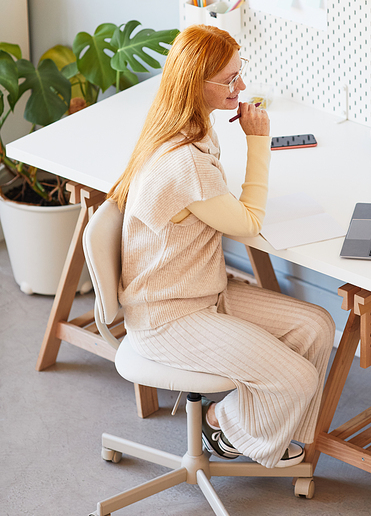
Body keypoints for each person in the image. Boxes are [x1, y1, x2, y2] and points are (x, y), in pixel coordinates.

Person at [108, 24, 335, 469]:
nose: (242, 86)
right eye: (230, 79)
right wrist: (259, 140)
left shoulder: (190, 128)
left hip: (204, 291)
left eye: (239, 72)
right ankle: (225, 422)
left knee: (317, 326)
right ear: (197, 84)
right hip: (169, 316)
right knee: (297, 378)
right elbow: (249, 224)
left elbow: (219, 205)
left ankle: (261, 435)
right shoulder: (185, 162)